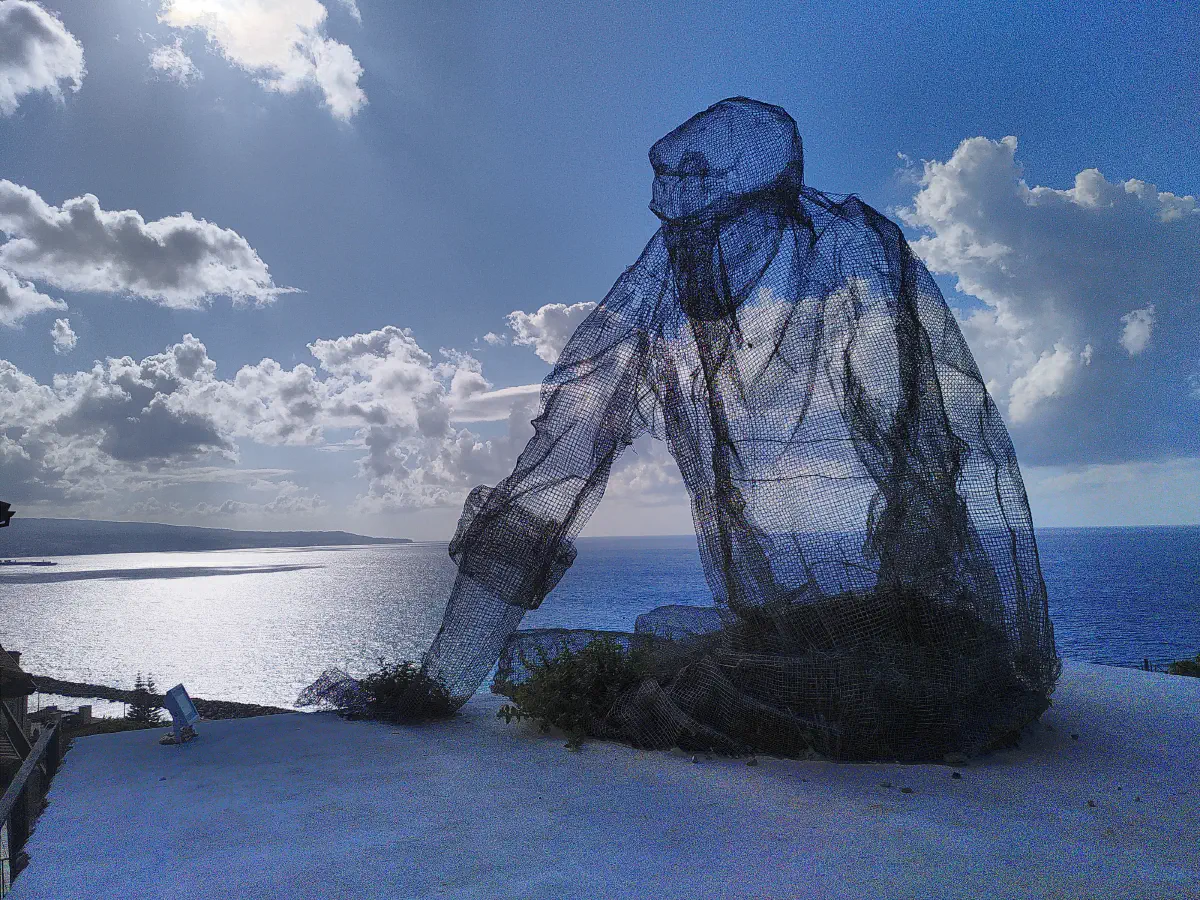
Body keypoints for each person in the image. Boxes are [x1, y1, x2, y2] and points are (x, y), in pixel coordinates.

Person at [405, 98, 1058, 745]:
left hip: (914, 634)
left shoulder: (857, 251)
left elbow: (925, 443)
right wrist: (444, 673)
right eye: (683, 231)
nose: (694, 255)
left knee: (866, 671)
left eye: (710, 230)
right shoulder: (656, 282)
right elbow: (564, 456)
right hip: (867, 634)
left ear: (760, 205)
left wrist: (911, 583)